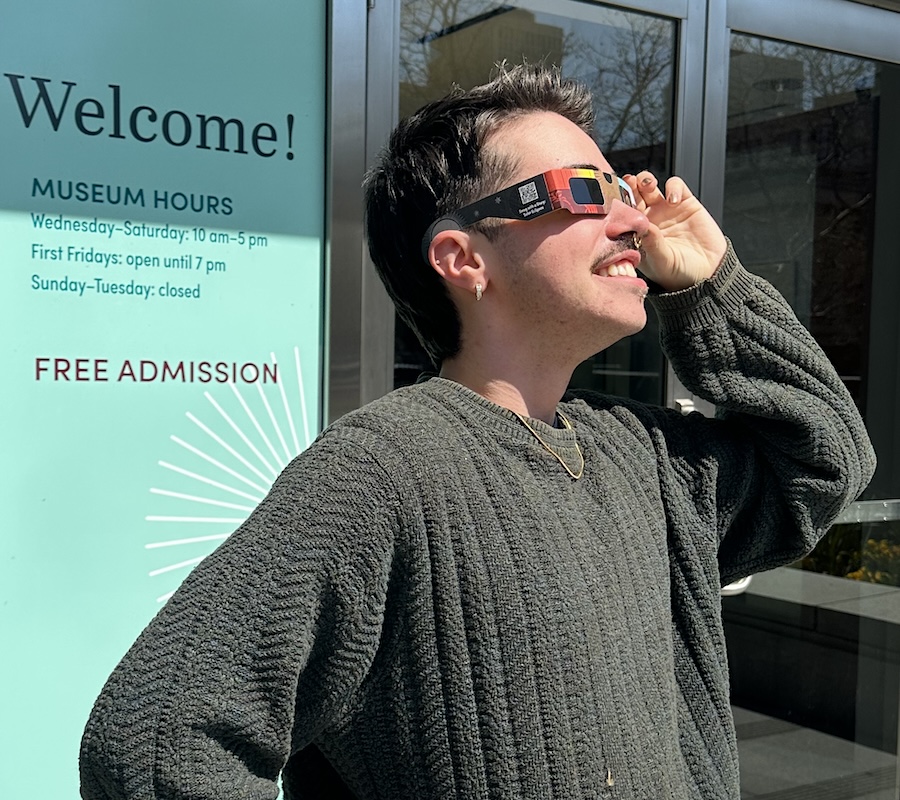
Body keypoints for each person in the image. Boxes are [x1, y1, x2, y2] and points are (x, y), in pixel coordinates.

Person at [79, 64, 875, 800]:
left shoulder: (648, 460)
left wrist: (714, 285)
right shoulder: (382, 470)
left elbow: (826, 459)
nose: (632, 218)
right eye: (584, 190)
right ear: (464, 258)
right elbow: (152, 743)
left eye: (621, 189)